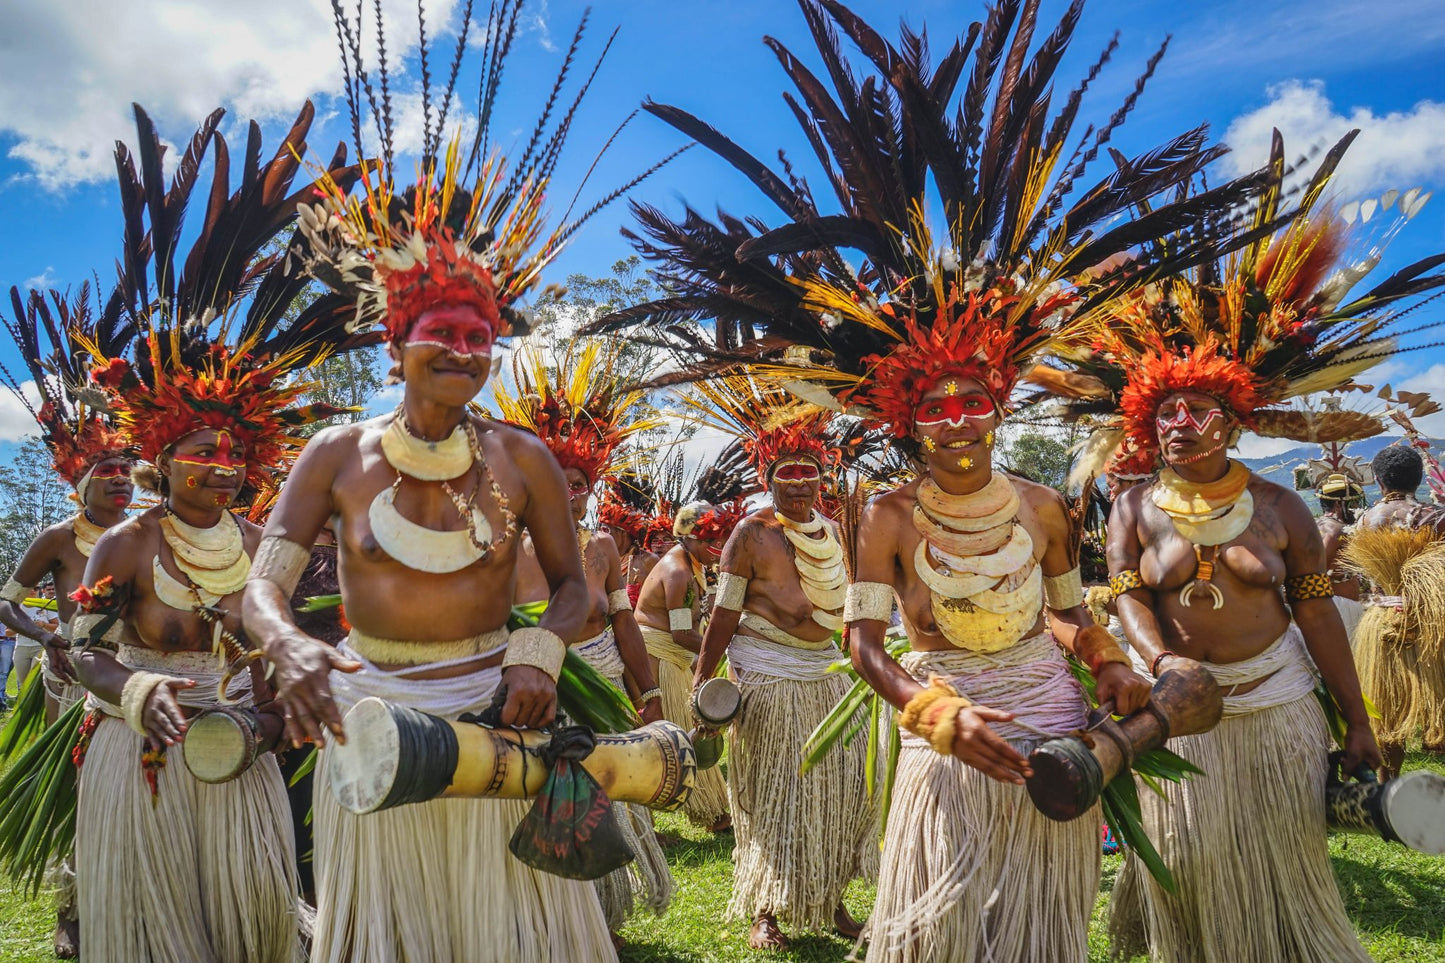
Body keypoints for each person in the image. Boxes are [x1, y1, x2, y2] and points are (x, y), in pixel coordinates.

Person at [245, 5, 669, 958]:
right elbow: (261, 586)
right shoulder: (331, 456)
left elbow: (572, 589)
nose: (465, 350)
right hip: (369, 705)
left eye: (481, 338)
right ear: (396, 343)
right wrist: (287, 647)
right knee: (395, 926)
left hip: (498, 706)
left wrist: (541, 651)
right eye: (443, 331)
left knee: (508, 926)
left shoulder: (522, 460)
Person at [1062, 173, 1445, 959]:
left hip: (1275, 705)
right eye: (1163, 410)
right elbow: (1128, 592)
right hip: (1179, 710)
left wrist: (1360, 718)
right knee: (1192, 861)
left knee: (1280, 858)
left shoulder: (1281, 508)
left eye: (1196, 408)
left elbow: (1312, 614)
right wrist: (1162, 659)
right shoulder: (1132, 507)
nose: (1177, 422)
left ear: (1233, 419)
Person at [687, 376, 876, 949]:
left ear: (823, 477)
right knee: (772, 789)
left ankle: (831, 899)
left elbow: (851, 607)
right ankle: (765, 906)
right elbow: (722, 615)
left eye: (807, 472)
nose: (797, 484)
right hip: (765, 669)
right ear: (767, 480)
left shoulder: (838, 528)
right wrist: (702, 679)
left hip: (825, 670)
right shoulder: (750, 533)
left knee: (838, 791)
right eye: (785, 474)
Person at [498, 341, 672, 936]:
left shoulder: (601, 550)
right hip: (536, 698)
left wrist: (647, 694)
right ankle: (549, 921)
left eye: (578, 483)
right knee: (546, 797)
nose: (570, 493)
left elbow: (623, 622)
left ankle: (603, 916)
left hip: (603, 698)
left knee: (608, 792)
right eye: (557, 481)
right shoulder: (501, 550)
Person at [0, 282, 138, 959]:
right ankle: (74, 908)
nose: (123, 480)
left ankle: (136, 894)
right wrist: (48, 636)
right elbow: (6, 601)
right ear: (85, 481)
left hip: (139, 675)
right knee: (77, 795)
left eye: (129, 468)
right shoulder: (58, 537)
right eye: (110, 470)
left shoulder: (151, 534)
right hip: (70, 678)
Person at [633, 496, 744, 833]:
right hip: (658, 659)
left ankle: (712, 811)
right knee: (671, 737)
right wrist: (725, 647)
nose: (718, 546)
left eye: (720, 540)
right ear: (689, 537)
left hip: (669, 658)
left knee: (682, 735)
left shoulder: (692, 566)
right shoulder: (678, 572)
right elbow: (682, 634)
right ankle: (709, 813)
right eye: (710, 540)